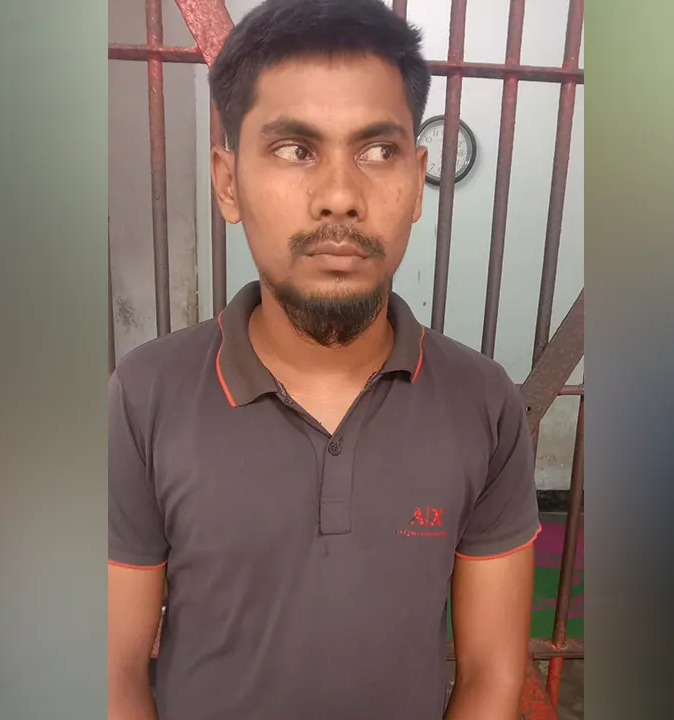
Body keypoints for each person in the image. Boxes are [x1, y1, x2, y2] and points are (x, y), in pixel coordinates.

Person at [108, 0, 539, 717]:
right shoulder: (145, 396)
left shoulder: (483, 402)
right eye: (294, 149)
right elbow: (112, 671)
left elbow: (492, 673)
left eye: (378, 152)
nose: (340, 196)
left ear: (417, 181)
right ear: (228, 183)